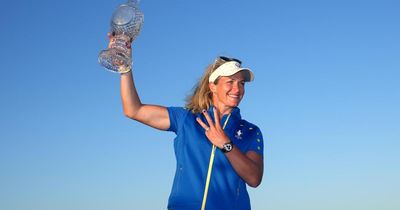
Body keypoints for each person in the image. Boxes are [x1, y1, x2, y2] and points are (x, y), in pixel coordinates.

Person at [119, 42, 264, 209]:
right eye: (230, 82)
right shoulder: (186, 119)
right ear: (213, 86)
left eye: (242, 83)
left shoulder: (250, 131)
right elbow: (133, 110)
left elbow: (254, 178)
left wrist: (226, 144)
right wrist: (125, 68)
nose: (237, 89)